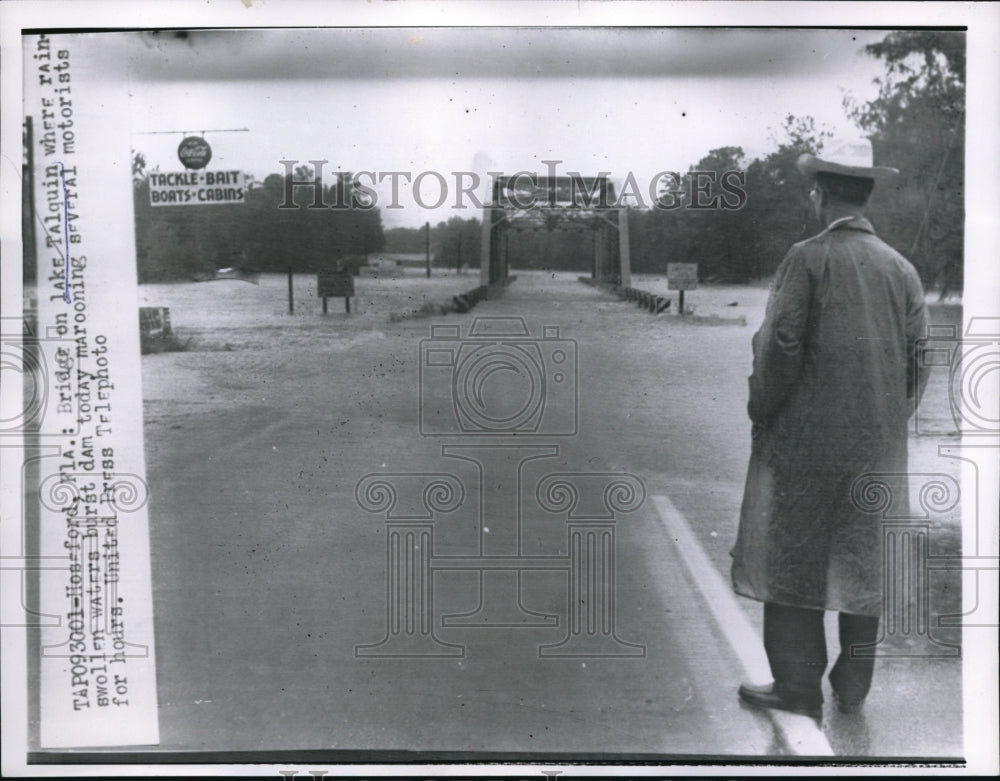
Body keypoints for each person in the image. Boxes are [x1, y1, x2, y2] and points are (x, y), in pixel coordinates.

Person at [730, 138, 931, 722]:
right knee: (862, 557)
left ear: (820, 195)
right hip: (876, 446)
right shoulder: (901, 269)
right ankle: (853, 685)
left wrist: (763, 407)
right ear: (865, 196)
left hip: (806, 442)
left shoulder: (807, 258)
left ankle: (797, 686)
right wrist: (889, 419)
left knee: (795, 557)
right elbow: (919, 359)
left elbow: (781, 343)